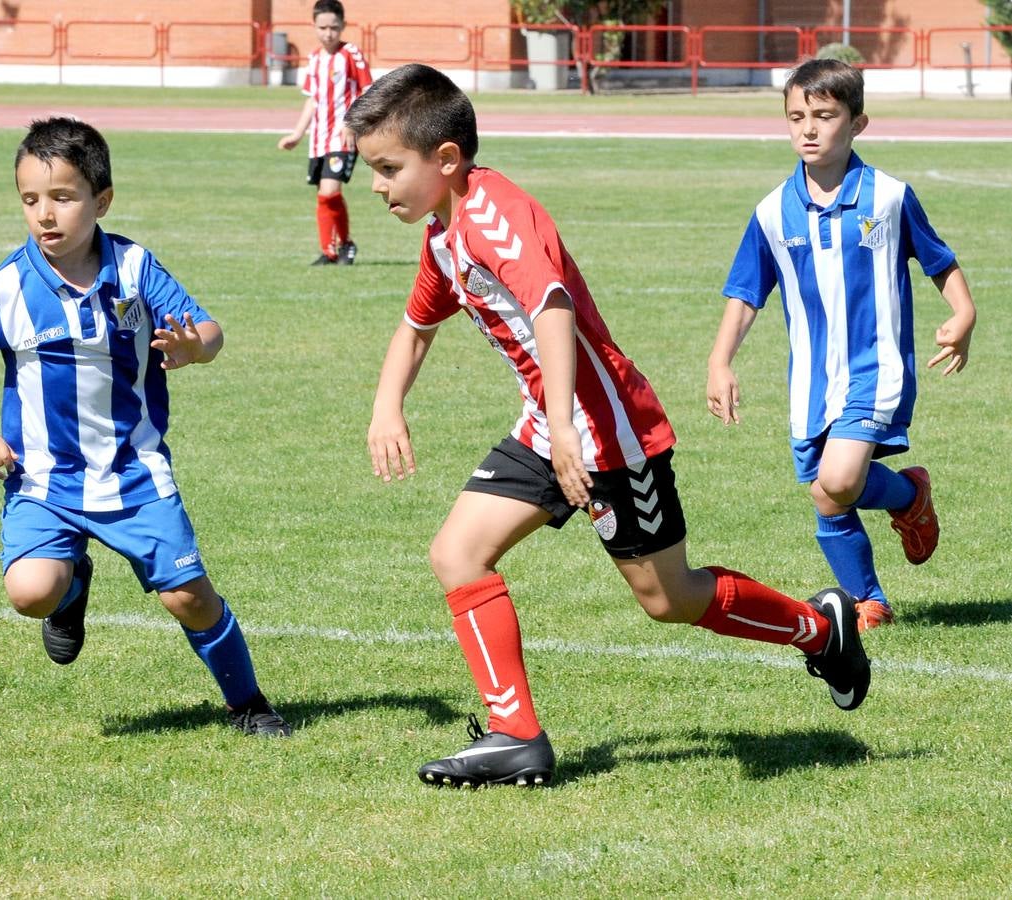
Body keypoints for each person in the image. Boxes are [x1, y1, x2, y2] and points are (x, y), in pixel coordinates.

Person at [346, 64, 869, 789]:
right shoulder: (443, 235)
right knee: (456, 554)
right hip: (551, 425)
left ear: (444, 159)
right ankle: (514, 736)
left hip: (608, 430)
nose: (375, 185)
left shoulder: (494, 213)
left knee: (668, 598)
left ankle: (819, 629)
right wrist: (386, 405)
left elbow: (552, 305)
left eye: (385, 168)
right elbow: (414, 325)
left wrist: (565, 428)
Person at [0, 117, 290, 737]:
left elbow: (208, 330)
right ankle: (70, 591)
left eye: (63, 198)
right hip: (44, 477)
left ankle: (249, 704)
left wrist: (193, 347)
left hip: (134, 471)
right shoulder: (7, 287)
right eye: (30, 200)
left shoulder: (134, 268)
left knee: (188, 598)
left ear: (101, 201)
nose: (45, 215)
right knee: (30, 591)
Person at [707, 59, 976, 634]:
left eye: (825, 116)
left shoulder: (889, 198)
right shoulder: (771, 212)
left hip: (875, 369)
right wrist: (719, 360)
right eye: (796, 117)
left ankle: (905, 497)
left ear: (858, 124)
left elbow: (938, 261)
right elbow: (747, 291)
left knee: (841, 478)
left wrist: (964, 312)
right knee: (827, 497)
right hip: (810, 380)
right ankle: (869, 596)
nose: (808, 129)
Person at [277, 0, 371, 266]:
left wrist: (351, 122)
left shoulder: (351, 53)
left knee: (329, 192)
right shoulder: (314, 58)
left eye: (333, 27)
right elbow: (312, 100)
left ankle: (344, 245)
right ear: (314, 26)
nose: (328, 33)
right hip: (317, 140)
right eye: (323, 27)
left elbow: (367, 91)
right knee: (324, 195)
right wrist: (296, 134)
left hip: (342, 138)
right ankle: (332, 250)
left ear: (342, 26)